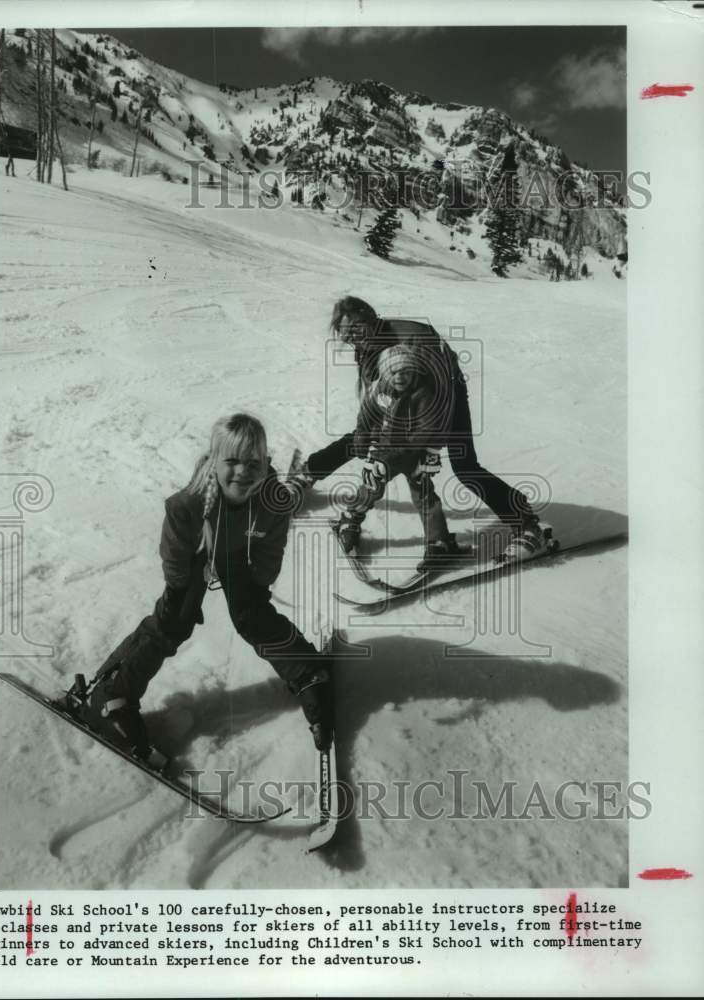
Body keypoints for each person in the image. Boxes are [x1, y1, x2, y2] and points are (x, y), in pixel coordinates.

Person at [80, 413, 333, 763]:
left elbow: (272, 544)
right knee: (175, 620)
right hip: (198, 554)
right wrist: (179, 588)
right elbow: (174, 550)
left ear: (266, 462)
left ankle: (307, 671)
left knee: (252, 615)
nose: (242, 471)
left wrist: (258, 582)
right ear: (214, 462)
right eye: (231, 461)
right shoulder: (189, 503)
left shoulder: (273, 499)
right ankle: (111, 693)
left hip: (239, 555)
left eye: (253, 462)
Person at [289, 296, 544, 559]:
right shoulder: (367, 344)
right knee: (360, 439)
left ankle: (527, 526)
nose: (352, 338)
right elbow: (373, 396)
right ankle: (308, 473)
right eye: (345, 335)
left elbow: (440, 394)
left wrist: (430, 446)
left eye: (355, 330)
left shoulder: (413, 340)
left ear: (370, 319)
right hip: (404, 394)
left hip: (447, 394)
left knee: (465, 466)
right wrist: (371, 437)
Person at [332, 344, 459, 571]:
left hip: (415, 452)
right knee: (371, 487)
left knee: (424, 494)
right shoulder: (379, 389)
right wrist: (363, 442)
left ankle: (438, 542)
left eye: (405, 371)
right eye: (393, 372)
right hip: (385, 449)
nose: (399, 377)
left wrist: (428, 455)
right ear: (385, 373)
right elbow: (366, 416)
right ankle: (349, 521)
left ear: (414, 372)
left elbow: (426, 431)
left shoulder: (423, 394)